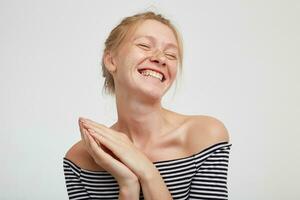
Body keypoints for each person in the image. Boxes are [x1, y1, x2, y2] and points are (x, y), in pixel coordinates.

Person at [63, 11, 232, 200]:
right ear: (111, 60)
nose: (161, 58)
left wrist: (146, 171)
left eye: (171, 54)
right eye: (144, 45)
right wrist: (127, 185)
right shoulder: (80, 159)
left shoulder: (205, 136)